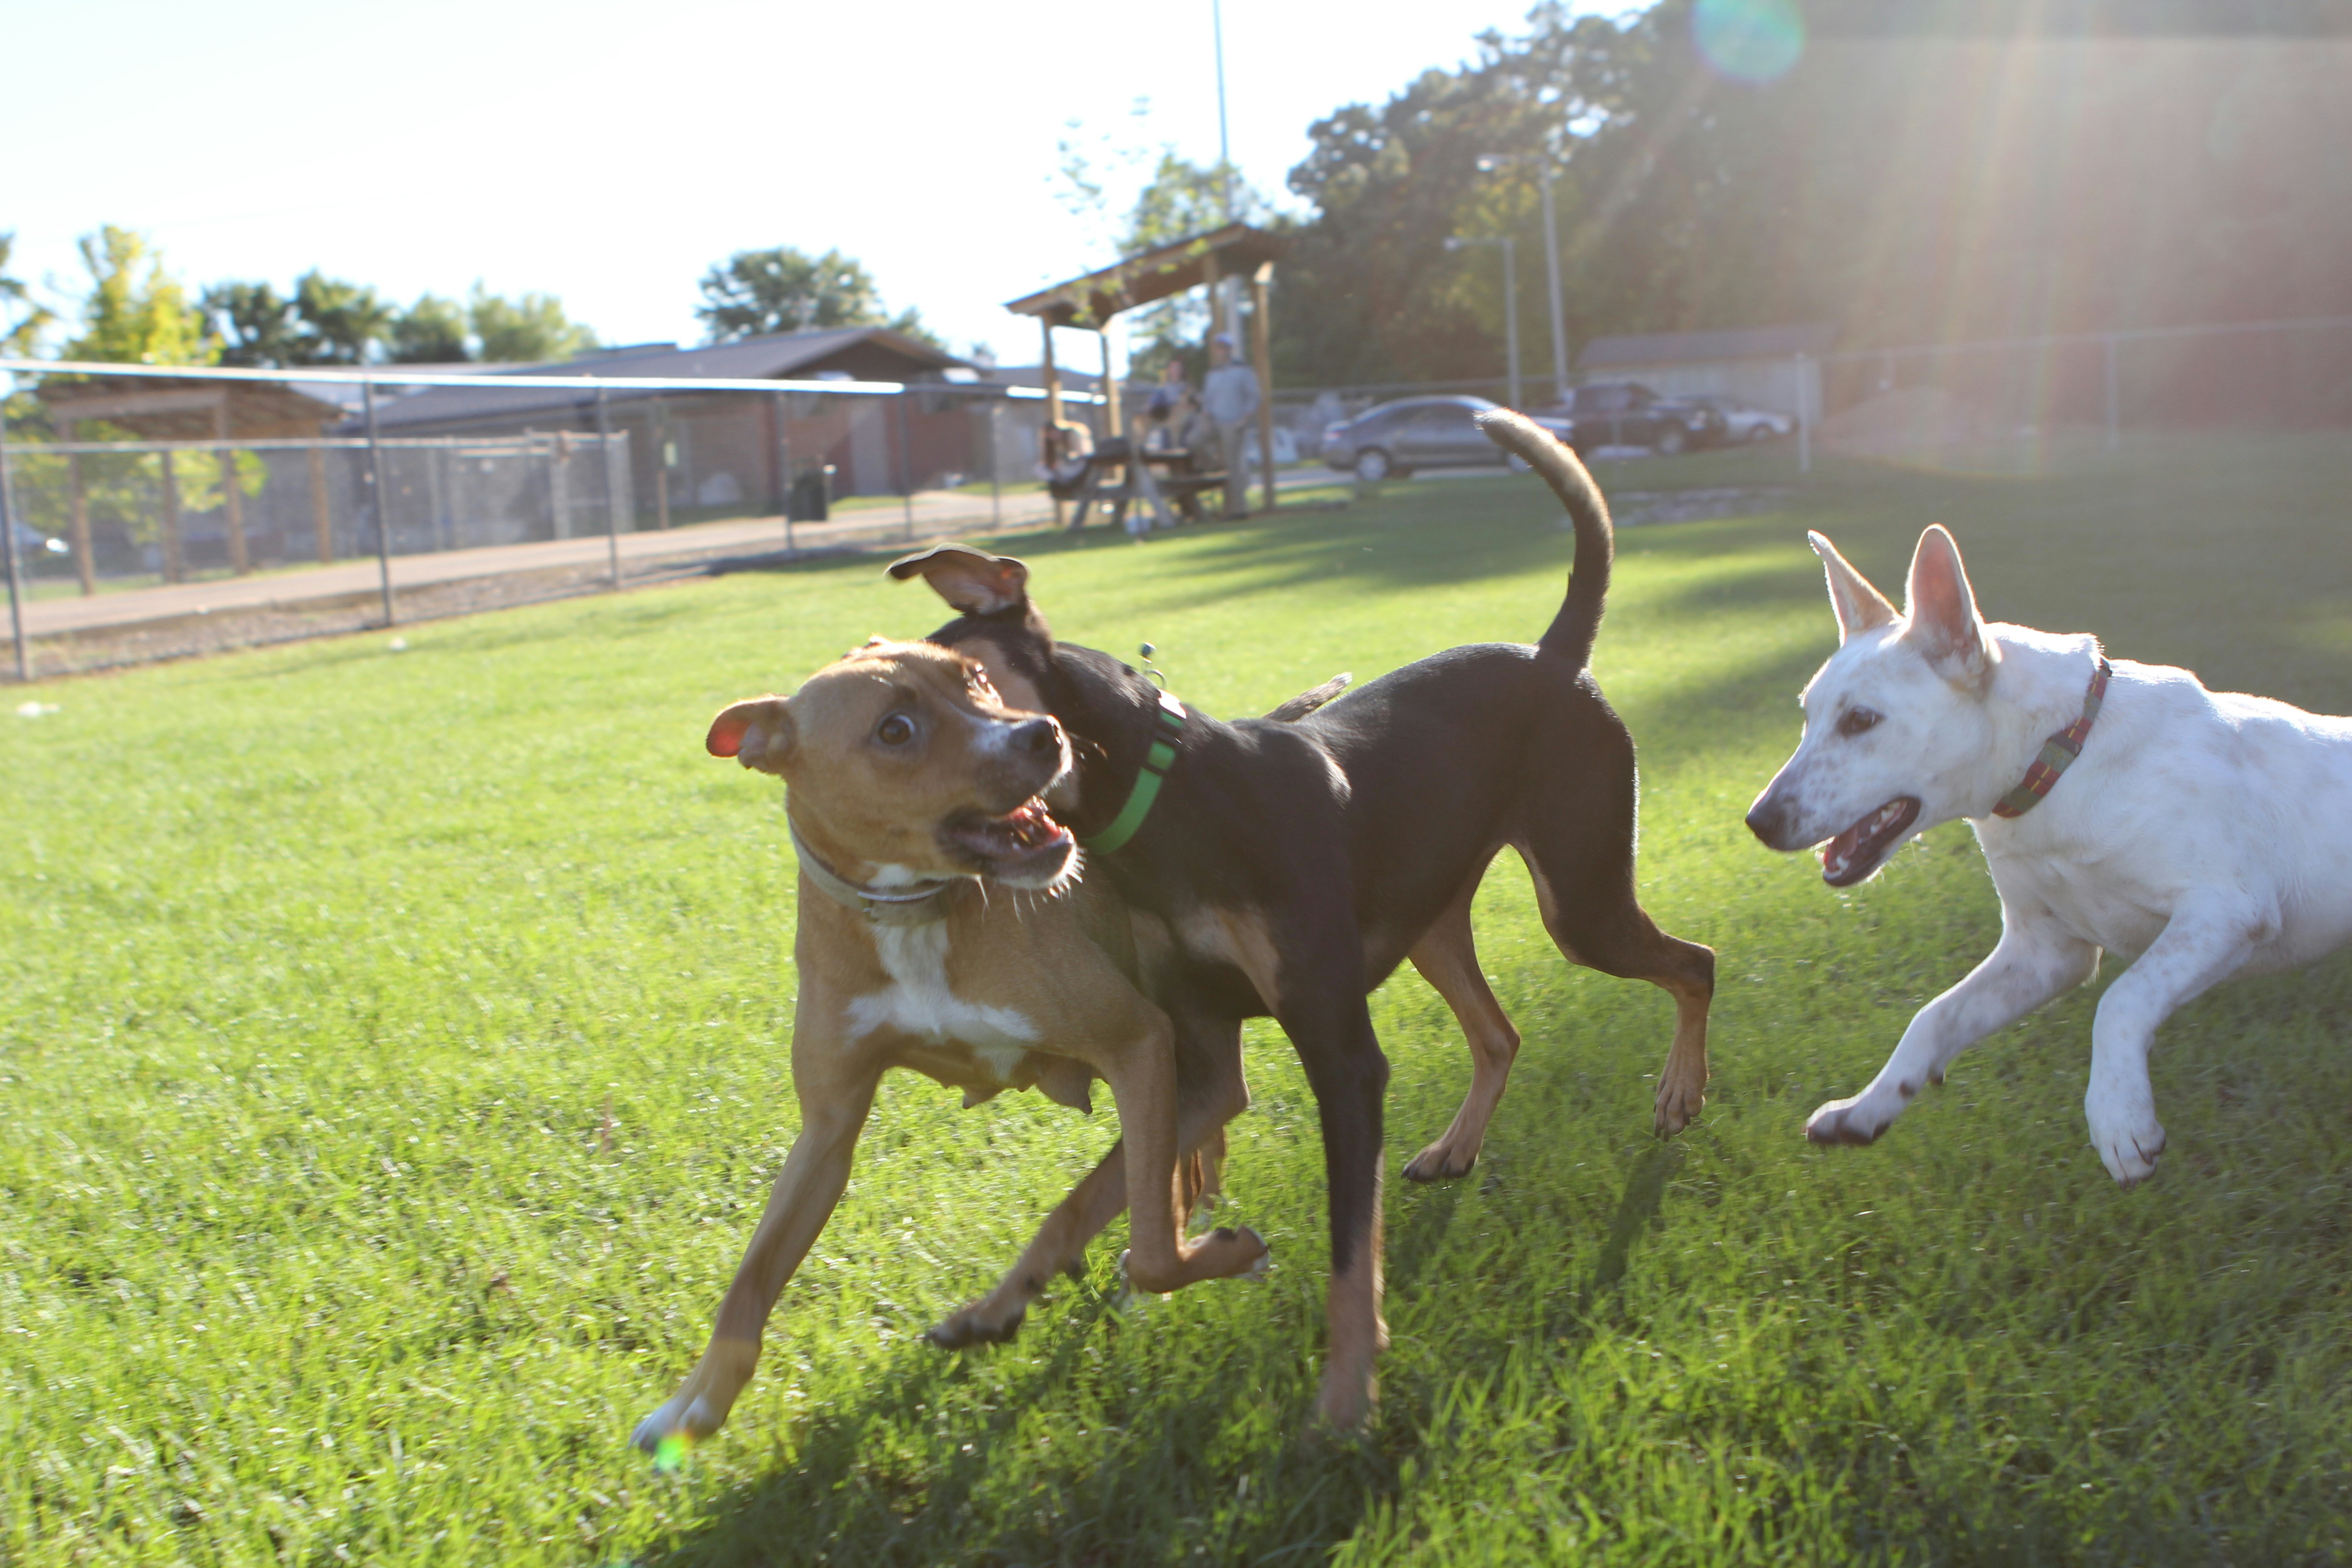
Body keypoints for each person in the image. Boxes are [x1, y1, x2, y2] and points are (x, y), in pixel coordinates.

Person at [1201, 333, 1262, 520]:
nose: (1221, 351)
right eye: (1218, 348)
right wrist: (1206, 416)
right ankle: (1210, 463)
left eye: (1224, 347)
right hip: (1215, 422)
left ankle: (1238, 510)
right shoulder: (1212, 374)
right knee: (1193, 440)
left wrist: (1244, 419)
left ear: (1229, 349)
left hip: (1233, 422)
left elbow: (1254, 396)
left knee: (1233, 466)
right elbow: (1208, 401)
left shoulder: (1242, 371)